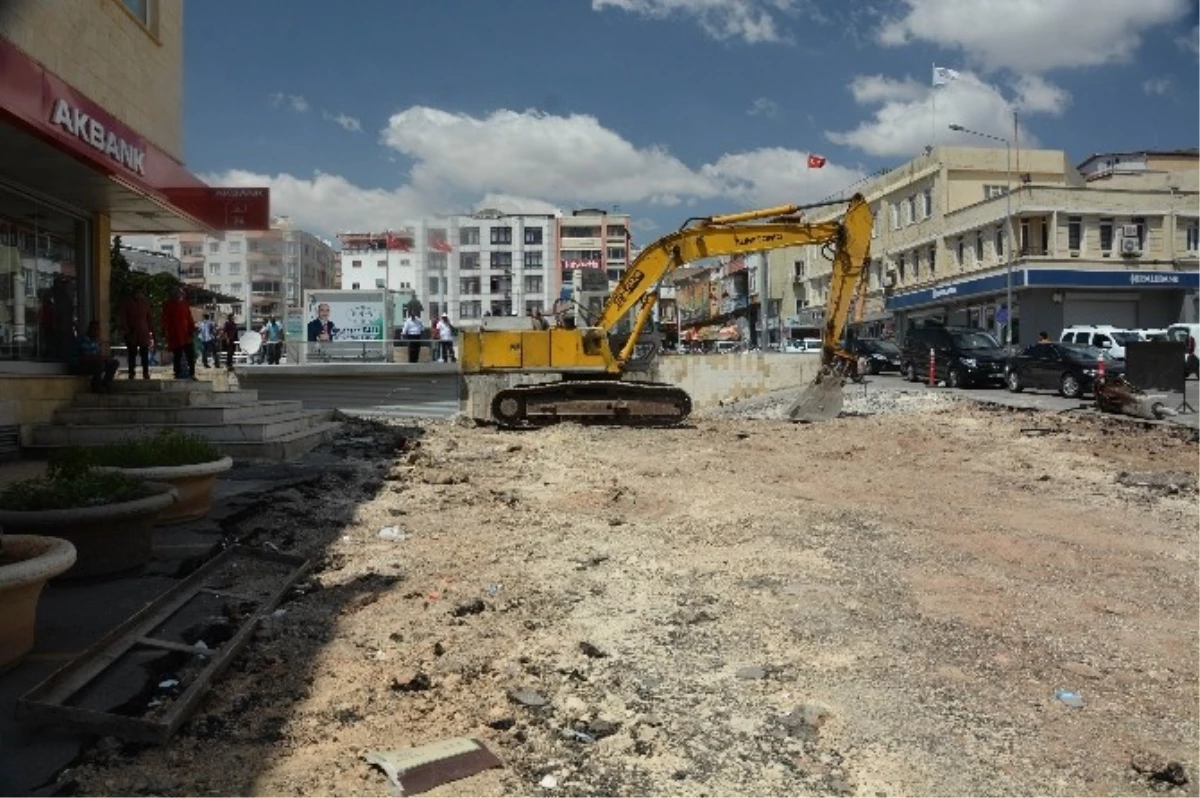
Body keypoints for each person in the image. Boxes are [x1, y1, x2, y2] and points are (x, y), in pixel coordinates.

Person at [70, 320, 119, 392]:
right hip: (79, 365)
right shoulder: (82, 340)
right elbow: (85, 357)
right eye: (94, 329)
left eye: (98, 329)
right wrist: (100, 358)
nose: (96, 332)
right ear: (89, 329)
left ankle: (106, 384)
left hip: (92, 364)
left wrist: (106, 358)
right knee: (99, 364)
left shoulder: (96, 342)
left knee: (114, 363)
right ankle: (96, 386)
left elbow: (97, 355)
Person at [161, 286, 197, 380]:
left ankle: (192, 373)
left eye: (179, 293)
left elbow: (189, 318)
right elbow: (165, 320)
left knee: (190, 355)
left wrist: (192, 330)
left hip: (186, 335)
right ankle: (177, 373)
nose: (178, 294)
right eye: (175, 293)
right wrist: (165, 332)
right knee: (177, 355)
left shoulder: (185, 304)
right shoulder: (168, 305)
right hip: (175, 335)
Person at [120, 285, 152, 380]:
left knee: (144, 354)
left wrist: (151, 333)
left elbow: (149, 319)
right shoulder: (127, 303)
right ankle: (131, 372)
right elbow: (123, 318)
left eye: (140, 292)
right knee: (132, 354)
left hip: (143, 332)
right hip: (131, 332)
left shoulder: (145, 304)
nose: (139, 294)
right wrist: (126, 330)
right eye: (137, 292)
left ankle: (145, 372)